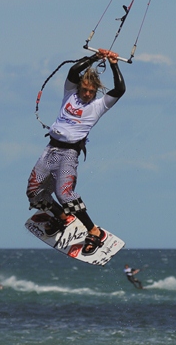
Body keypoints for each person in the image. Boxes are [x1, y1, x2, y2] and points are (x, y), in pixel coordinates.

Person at [26, 48, 126, 256]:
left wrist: (114, 64)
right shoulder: (70, 93)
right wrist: (95, 57)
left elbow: (120, 89)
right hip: (50, 150)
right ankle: (63, 217)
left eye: (91, 91)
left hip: (68, 155)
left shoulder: (99, 106)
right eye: (85, 90)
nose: (87, 94)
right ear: (79, 87)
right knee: (34, 193)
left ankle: (94, 231)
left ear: (96, 91)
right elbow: (73, 71)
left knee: (65, 195)